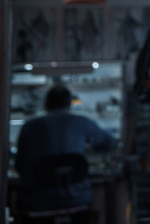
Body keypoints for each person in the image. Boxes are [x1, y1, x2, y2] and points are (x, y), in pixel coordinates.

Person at [15, 84, 116, 223]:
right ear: (70, 105)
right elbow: (108, 142)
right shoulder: (82, 121)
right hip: (76, 202)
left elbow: (19, 165)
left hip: (37, 203)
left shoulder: (29, 126)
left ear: (45, 105)